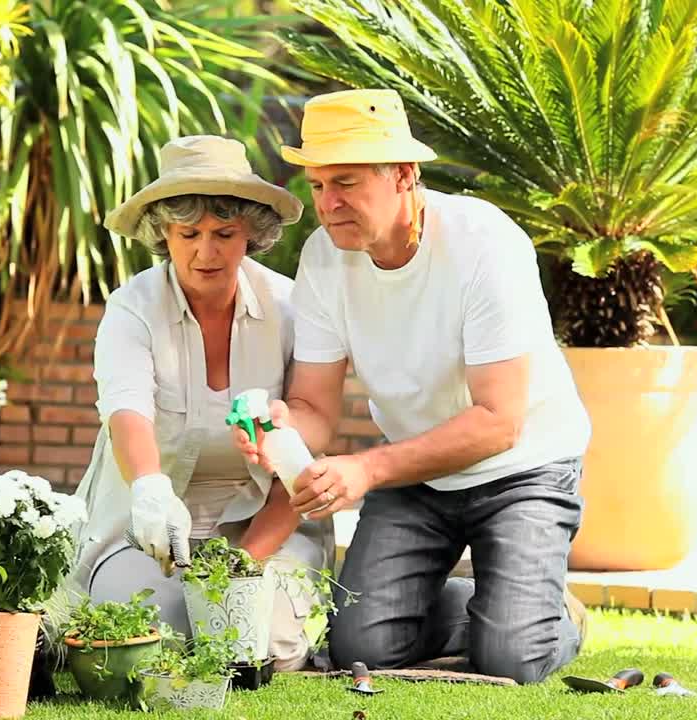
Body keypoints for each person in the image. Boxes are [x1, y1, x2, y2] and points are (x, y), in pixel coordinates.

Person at [234, 89, 592, 684]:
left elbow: (499, 422)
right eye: (318, 185)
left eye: (345, 183)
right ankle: (500, 605)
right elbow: (315, 408)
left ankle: (546, 616)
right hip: (417, 476)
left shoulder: (485, 244)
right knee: (360, 646)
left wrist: (367, 471)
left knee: (512, 659)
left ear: (403, 175)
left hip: (524, 470)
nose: (328, 204)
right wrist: (282, 430)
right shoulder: (325, 259)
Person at [68, 135, 334, 671]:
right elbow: (127, 412)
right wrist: (148, 488)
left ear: (251, 234)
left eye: (224, 234)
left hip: (263, 527)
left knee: (267, 644)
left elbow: (310, 445)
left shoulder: (291, 306)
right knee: (153, 632)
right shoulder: (132, 307)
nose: (206, 252)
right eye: (188, 233)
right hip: (148, 530)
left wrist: (244, 564)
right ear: (164, 234)